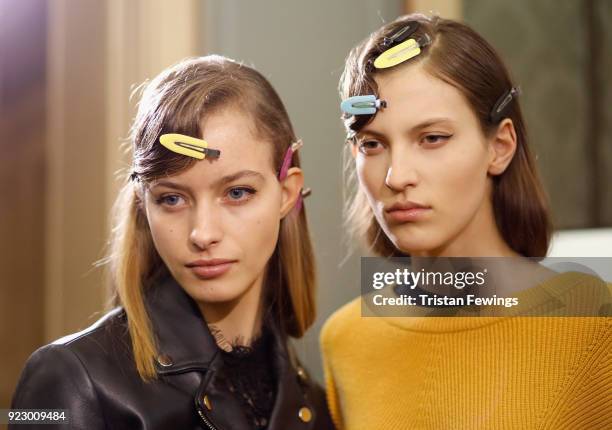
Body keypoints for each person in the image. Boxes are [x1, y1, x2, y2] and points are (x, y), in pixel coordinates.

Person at [12, 56, 334, 430]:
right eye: (171, 199)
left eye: (237, 192)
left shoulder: (316, 403)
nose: (202, 233)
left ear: (287, 193)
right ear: (144, 204)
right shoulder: (70, 379)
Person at [321, 14, 611, 429]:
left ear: (499, 146)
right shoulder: (346, 341)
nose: (396, 175)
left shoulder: (597, 323)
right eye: (373, 144)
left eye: (432, 138)